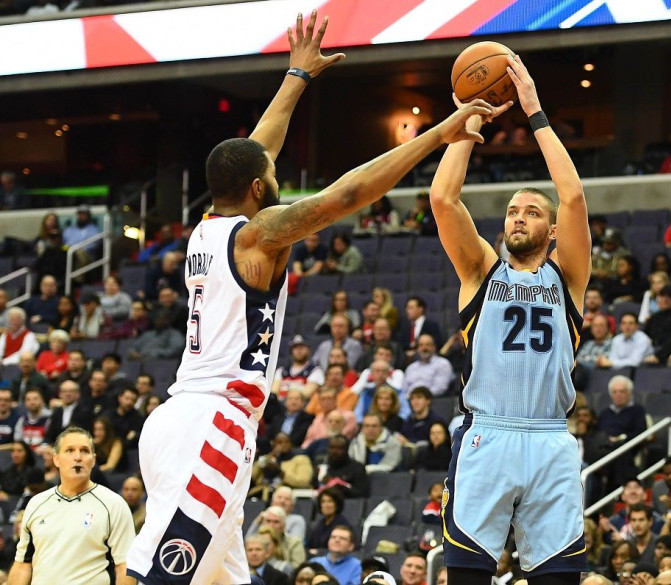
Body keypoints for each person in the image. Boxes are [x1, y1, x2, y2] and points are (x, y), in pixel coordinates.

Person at [126, 10, 496, 583]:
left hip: (182, 418)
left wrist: (295, 78)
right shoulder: (258, 234)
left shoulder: (207, 225)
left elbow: (254, 152)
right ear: (257, 189)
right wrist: (437, 135)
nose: (276, 175)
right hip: (214, 423)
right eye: (270, 175)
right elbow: (347, 194)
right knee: (163, 577)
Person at [428, 53, 590, 584]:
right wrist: (466, 121)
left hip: (550, 437)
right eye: (513, 211)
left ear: (550, 232)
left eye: (533, 212)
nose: (520, 216)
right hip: (486, 437)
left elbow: (573, 196)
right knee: (468, 575)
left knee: (558, 577)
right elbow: (442, 197)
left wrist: (535, 112)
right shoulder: (480, 270)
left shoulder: (567, 279)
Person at [8, 426, 135, 584]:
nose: (78, 457)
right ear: (56, 459)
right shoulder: (37, 504)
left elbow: (125, 566)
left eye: (84, 451)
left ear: (93, 460)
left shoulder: (113, 504)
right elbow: (22, 565)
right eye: (70, 450)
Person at [272, 335, 325, 401]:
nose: (299, 350)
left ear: (308, 349)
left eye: (302, 347)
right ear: (291, 351)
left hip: (302, 408)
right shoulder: (281, 370)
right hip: (279, 407)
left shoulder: (316, 371)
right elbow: (274, 393)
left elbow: (305, 394)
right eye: (295, 347)